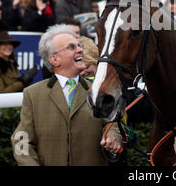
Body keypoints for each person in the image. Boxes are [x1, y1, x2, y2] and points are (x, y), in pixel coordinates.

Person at [11, 24, 124, 166]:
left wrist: (113, 137)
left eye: (79, 45)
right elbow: (21, 139)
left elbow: (114, 124)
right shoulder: (33, 94)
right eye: (72, 47)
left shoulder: (100, 90)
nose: (80, 50)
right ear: (54, 59)